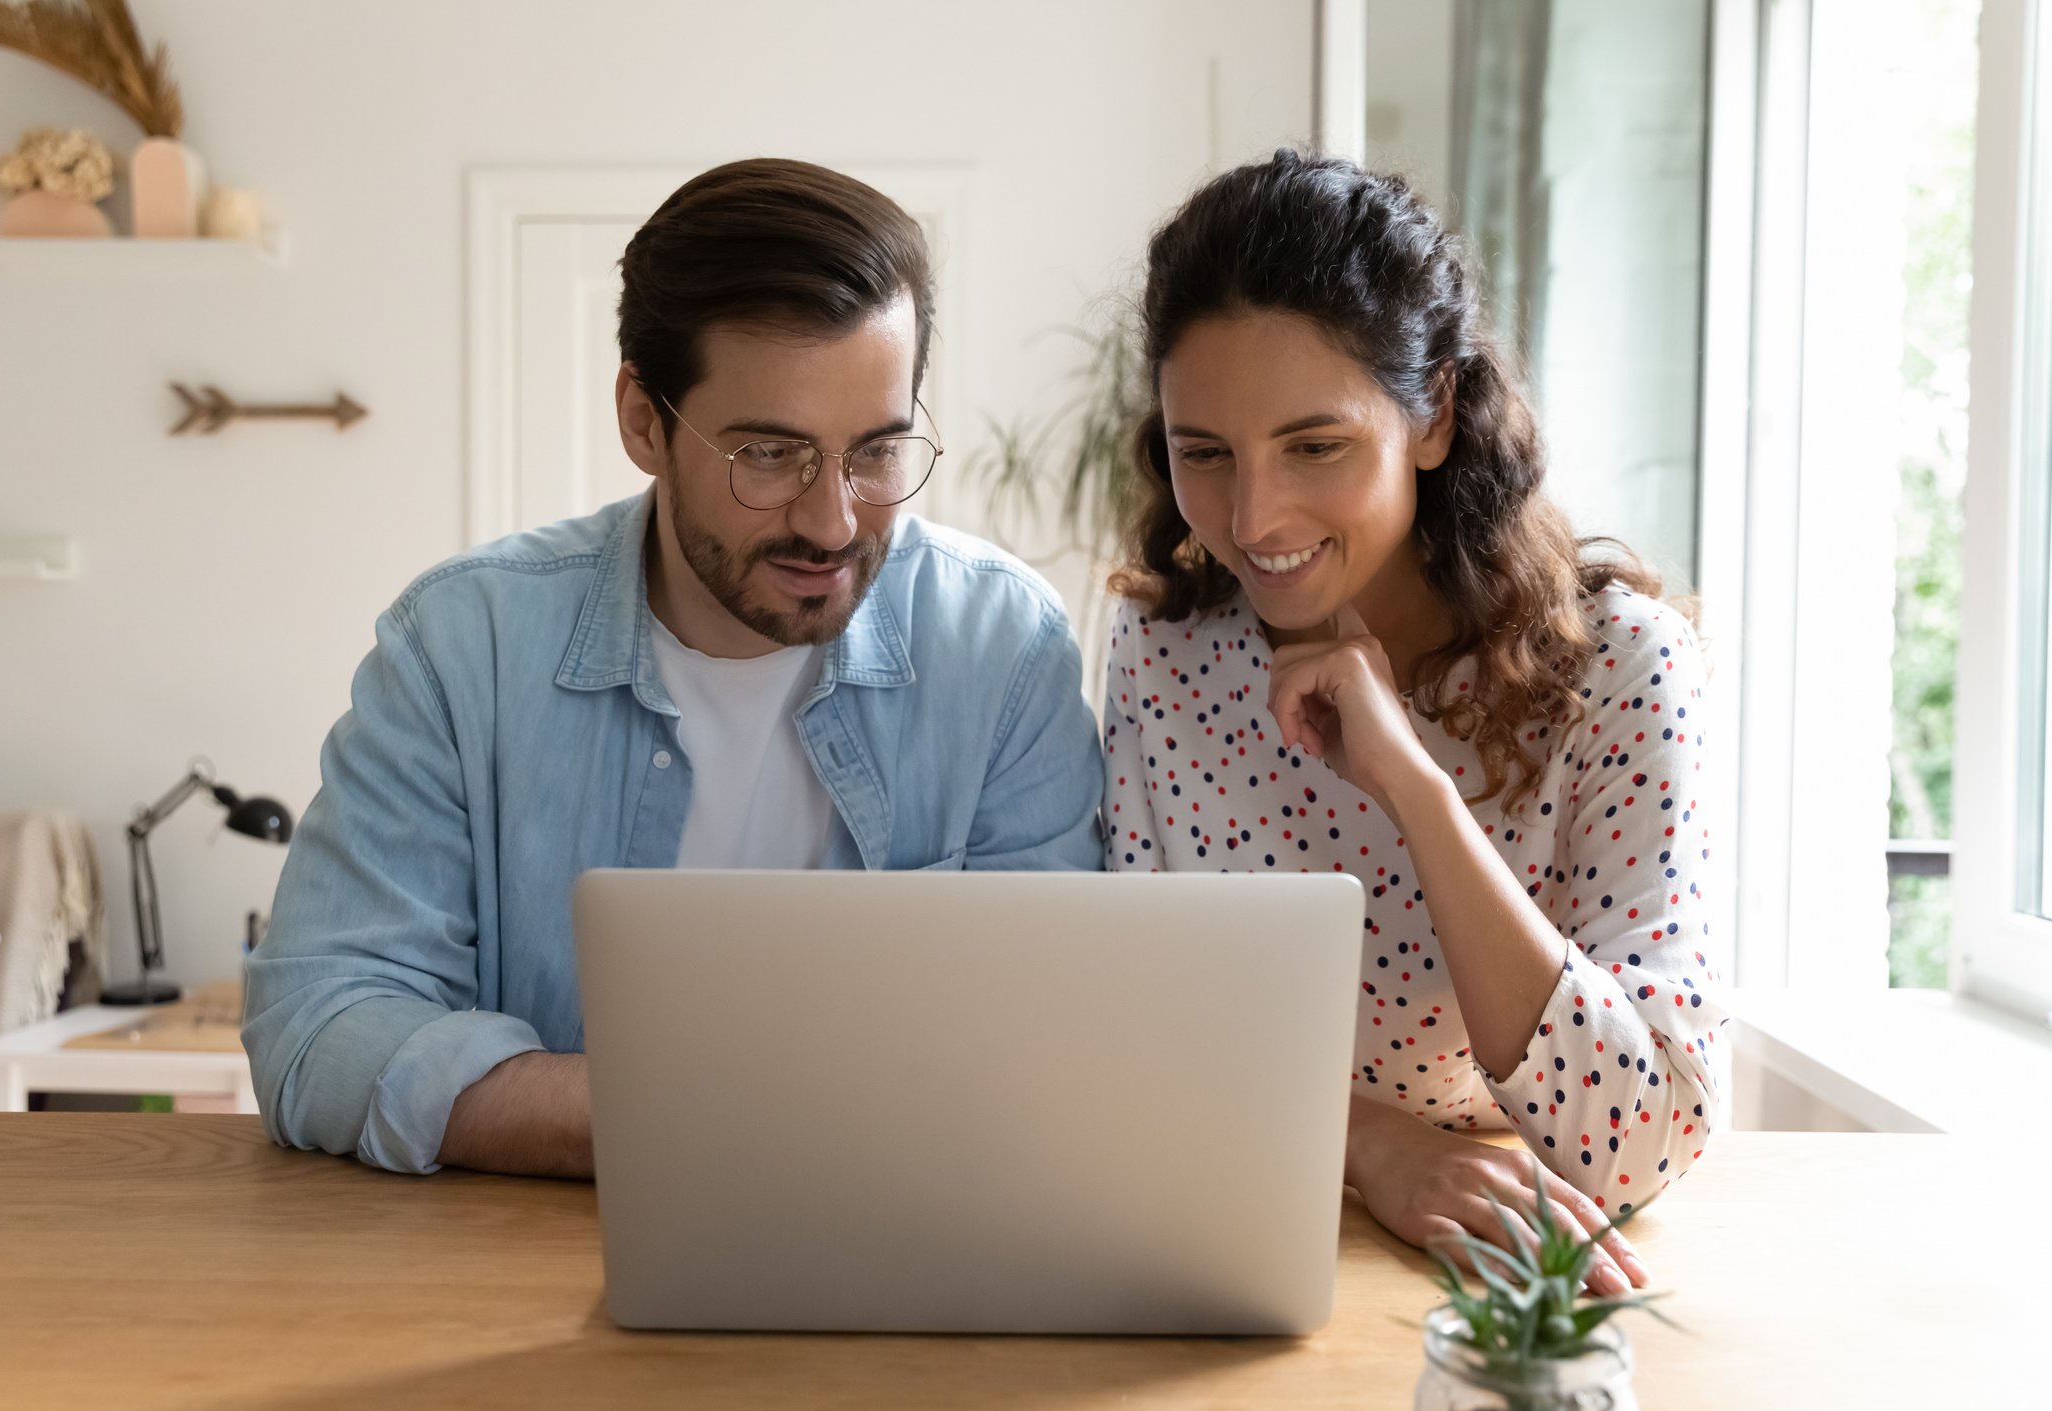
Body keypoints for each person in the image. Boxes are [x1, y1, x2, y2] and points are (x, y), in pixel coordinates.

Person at [245, 158, 1104, 1180]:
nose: (833, 522)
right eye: (769, 455)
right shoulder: (461, 646)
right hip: (535, 1257)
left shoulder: (1002, 649)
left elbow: (1059, 1039)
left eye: (876, 451)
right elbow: (320, 1023)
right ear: (643, 421)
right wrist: (688, 1122)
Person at [1102, 150, 1726, 1296]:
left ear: (1432, 412)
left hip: (1511, 1276)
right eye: (1206, 454)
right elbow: (1138, 1034)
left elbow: (1641, 1141)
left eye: (1315, 445)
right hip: (1240, 1239)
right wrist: (1371, 1143)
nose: (1255, 517)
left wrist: (1417, 791)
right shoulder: (1164, 654)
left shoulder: (1625, 668)